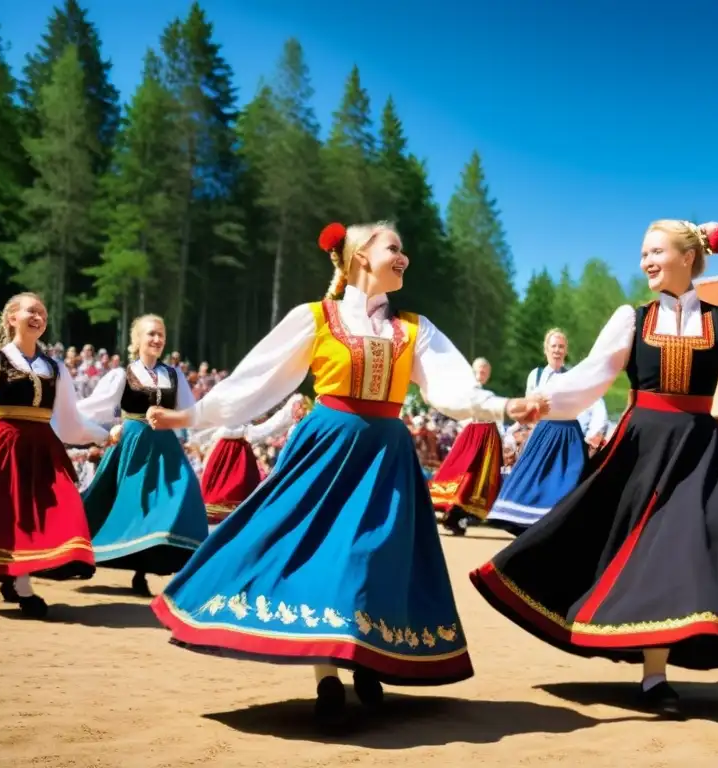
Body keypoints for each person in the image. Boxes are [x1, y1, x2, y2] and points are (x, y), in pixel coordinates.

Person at [147, 221, 541, 726]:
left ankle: (365, 652)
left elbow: (452, 388)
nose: (404, 258)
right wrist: (191, 416)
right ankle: (326, 675)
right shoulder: (316, 318)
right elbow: (255, 381)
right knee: (319, 555)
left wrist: (504, 405)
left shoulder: (414, 329)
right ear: (360, 257)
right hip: (327, 450)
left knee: (373, 556)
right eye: (394, 248)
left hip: (386, 457)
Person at [469, 220, 718, 719]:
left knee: (681, 551)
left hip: (698, 450)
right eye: (643, 252)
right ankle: (650, 668)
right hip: (641, 448)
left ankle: (655, 674)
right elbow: (592, 375)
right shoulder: (631, 320)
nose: (645, 261)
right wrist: (542, 402)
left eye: (655, 251)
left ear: (687, 256)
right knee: (610, 541)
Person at [0, 293, 108, 618]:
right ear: (11, 318)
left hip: (41, 450)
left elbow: (70, 423)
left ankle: (19, 580)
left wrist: (103, 434)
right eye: (31, 311)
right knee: (3, 516)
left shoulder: (55, 369)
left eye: (42, 313)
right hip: (0, 447)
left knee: (52, 512)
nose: (38, 317)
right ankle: (20, 584)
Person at [76, 315, 209, 597]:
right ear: (136, 340)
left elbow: (190, 413)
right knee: (131, 505)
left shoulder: (174, 375)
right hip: (134, 444)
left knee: (183, 493)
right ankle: (108, 558)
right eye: (151, 334)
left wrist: (171, 418)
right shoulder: (122, 375)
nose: (157, 340)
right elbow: (95, 407)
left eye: (161, 334)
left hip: (165, 446)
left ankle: (154, 565)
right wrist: (67, 416)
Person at [485, 329, 609, 535]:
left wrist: (594, 434)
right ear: (546, 349)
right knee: (532, 478)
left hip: (568, 434)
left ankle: (558, 528)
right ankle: (525, 524)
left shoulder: (574, 376)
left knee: (567, 481)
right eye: (554, 346)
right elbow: (528, 405)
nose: (557, 350)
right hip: (543, 431)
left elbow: (596, 405)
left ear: (566, 350)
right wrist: (516, 430)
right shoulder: (537, 375)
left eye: (561, 347)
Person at [191, 394, 305, 525]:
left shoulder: (225, 435)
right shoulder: (236, 434)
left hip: (224, 465)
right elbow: (264, 430)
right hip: (236, 463)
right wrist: (288, 410)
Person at [429, 357, 505, 536]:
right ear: (473, 371)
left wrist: (503, 440)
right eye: (479, 369)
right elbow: (459, 413)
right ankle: (448, 510)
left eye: (485, 370)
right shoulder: (468, 391)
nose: (482, 373)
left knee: (476, 481)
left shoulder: (489, 394)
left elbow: (498, 419)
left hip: (488, 440)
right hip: (472, 436)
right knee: (462, 474)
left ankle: (457, 516)